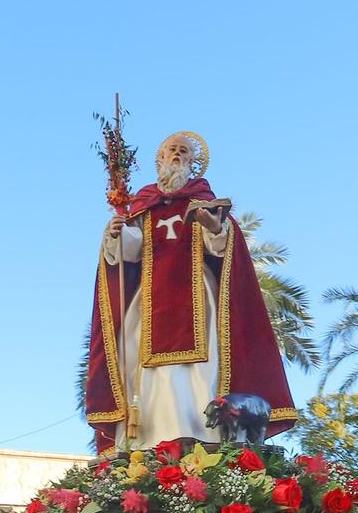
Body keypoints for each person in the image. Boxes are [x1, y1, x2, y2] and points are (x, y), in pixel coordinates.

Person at [85, 130, 294, 451]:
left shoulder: (205, 203)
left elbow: (227, 249)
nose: (177, 155)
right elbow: (130, 252)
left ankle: (207, 444)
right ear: (160, 159)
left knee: (204, 375)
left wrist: (215, 228)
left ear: (194, 163)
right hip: (149, 309)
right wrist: (116, 234)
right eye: (172, 150)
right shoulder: (142, 206)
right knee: (142, 375)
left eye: (184, 152)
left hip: (201, 309)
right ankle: (147, 448)